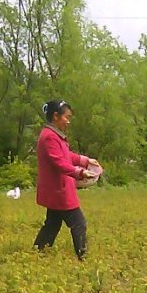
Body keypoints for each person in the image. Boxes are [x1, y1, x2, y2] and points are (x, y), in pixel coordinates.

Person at [33, 100, 102, 259]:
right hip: (60, 190)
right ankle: (82, 257)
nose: (68, 121)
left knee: (52, 224)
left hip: (57, 189)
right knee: (79, 223)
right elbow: (59, 163)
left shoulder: (53, 135)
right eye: (66, 117)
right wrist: (80, 172)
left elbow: (66, 155)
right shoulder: (50, 137)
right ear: (55, 116)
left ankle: (37, 253)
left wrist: (85, 160)